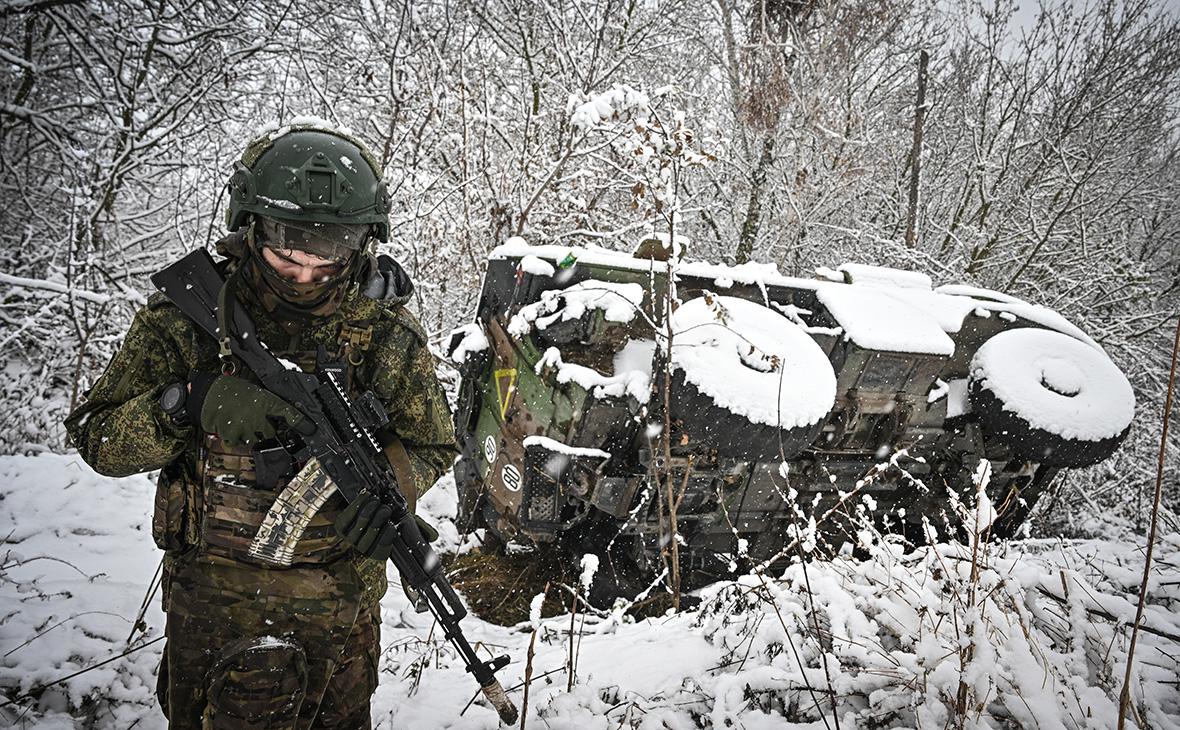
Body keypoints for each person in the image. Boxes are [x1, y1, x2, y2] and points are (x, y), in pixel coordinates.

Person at [64, 124, 457, 729]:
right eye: (285, 257)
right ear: (250, 227)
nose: (303, 277)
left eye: (325, 263)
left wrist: (388, 492)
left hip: (342, 605)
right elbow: (98, 440)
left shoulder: (383, 333)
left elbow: (435, 441)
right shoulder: (189, 318)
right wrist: (184, 402)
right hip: (215, 603)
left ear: (360, 247)